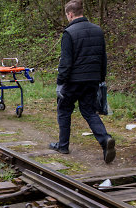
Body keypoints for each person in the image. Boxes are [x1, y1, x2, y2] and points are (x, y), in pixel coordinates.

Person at [49, 0, 115, 164]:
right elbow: (103, 58)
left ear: (70, 14)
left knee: (64, 110)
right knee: (89, 112)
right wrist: (101, 79)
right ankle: (105, 139)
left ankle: (63, 145)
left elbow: (65, 62)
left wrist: (60, 83)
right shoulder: (97, 30)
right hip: (92, 79)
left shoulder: (69, 33)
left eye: (66, 15)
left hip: (73, 81)